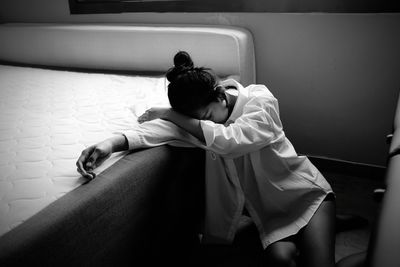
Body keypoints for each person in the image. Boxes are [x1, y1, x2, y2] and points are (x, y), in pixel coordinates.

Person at [76, 51, 336, 267]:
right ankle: (325, 228)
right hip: (271, 217)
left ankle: (330, 219)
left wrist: (171, 114)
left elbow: (230, 140)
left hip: (306, 196)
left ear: (221, 96)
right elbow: (164, 131)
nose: (200, 126)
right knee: (280, 260)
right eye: (195, 121)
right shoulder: (205, 124)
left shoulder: (261, 102)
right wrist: (109, 144)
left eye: (206, 117)